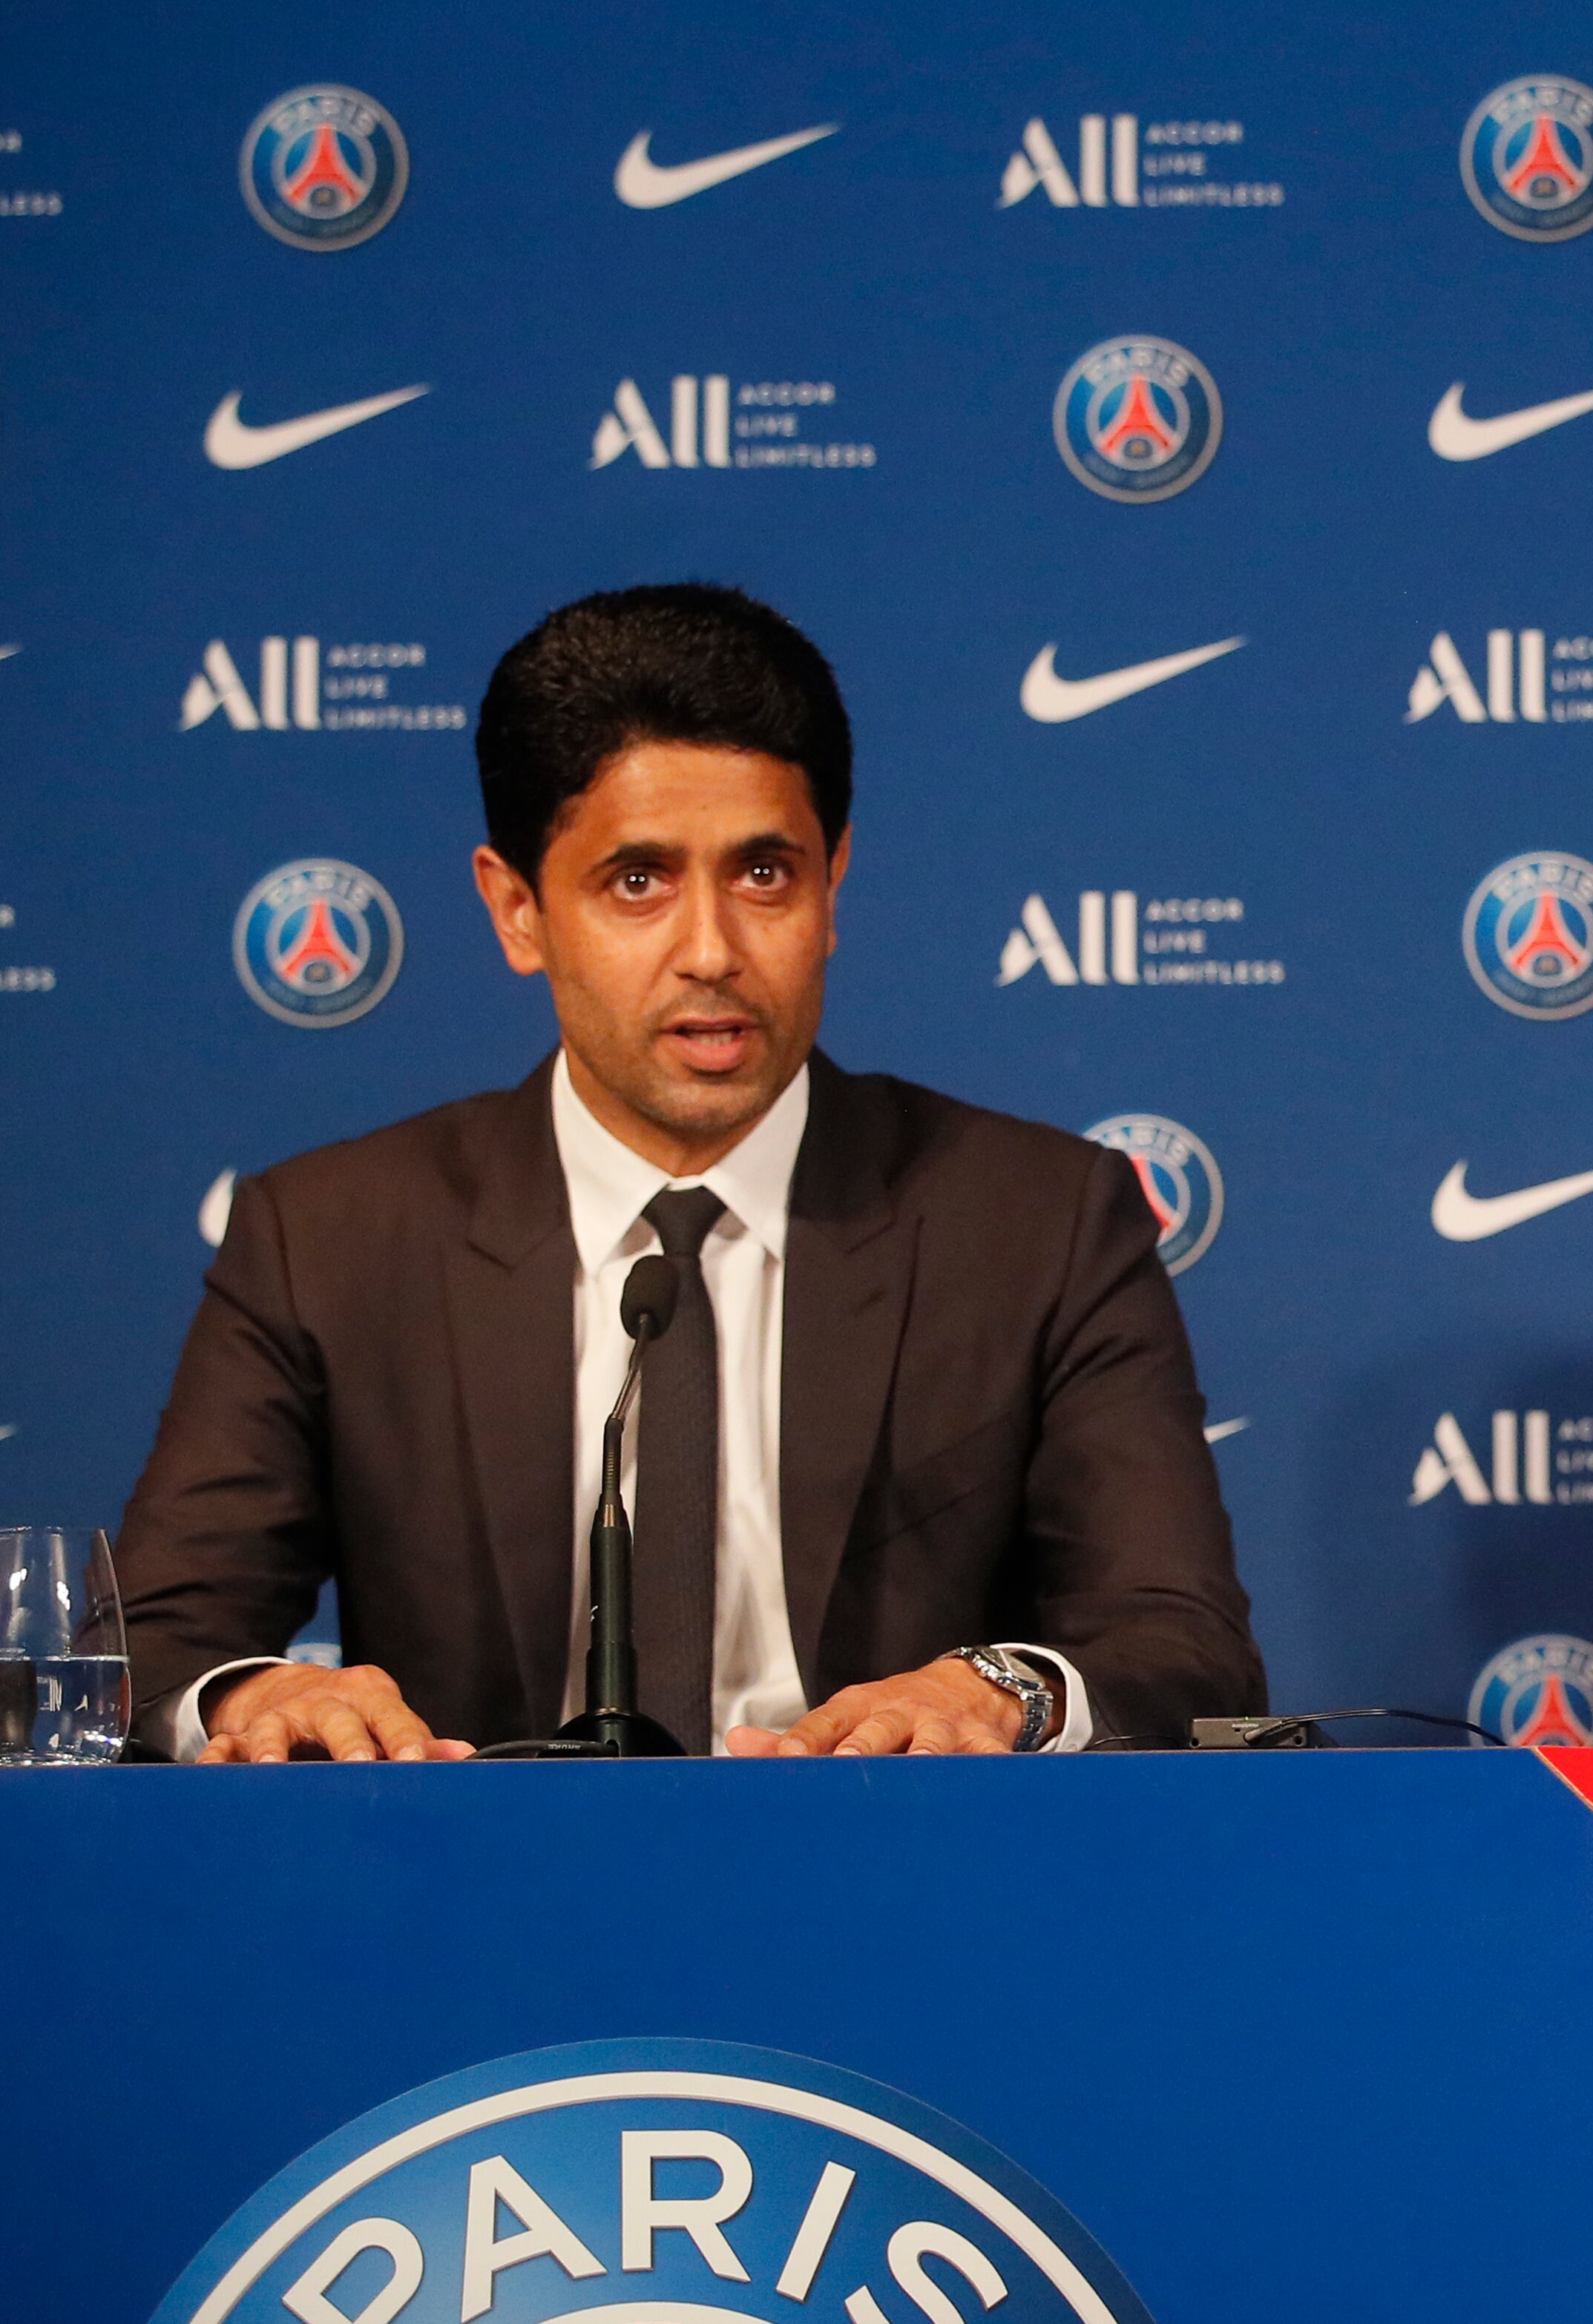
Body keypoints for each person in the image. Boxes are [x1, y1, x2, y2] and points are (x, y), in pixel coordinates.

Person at [119, 585, 1262, 1759]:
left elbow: (1180, 1642)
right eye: (638, 881)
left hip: (897, 1893)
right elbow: (151, 1643)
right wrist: (251, 1698)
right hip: (484, 1910)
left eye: (766, 874)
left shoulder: (1039, 1223)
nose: (712, 950)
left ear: (833, 886)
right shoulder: (329, 1240)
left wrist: (996, 1690)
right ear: (517, 909)